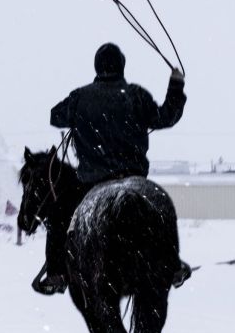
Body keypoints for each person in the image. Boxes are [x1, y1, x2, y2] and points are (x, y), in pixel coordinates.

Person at [33, 42, 188, 295]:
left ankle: (56, 273)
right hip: (134, 179)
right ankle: (171, 266)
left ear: (97, 67)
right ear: (122, 66)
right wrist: (176, 85)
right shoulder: (136, 95)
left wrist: (79, 112)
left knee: (60, 214)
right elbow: (166, 117)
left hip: (92, 183)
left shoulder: (80, 97)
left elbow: (54, 116)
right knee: (161, 207)